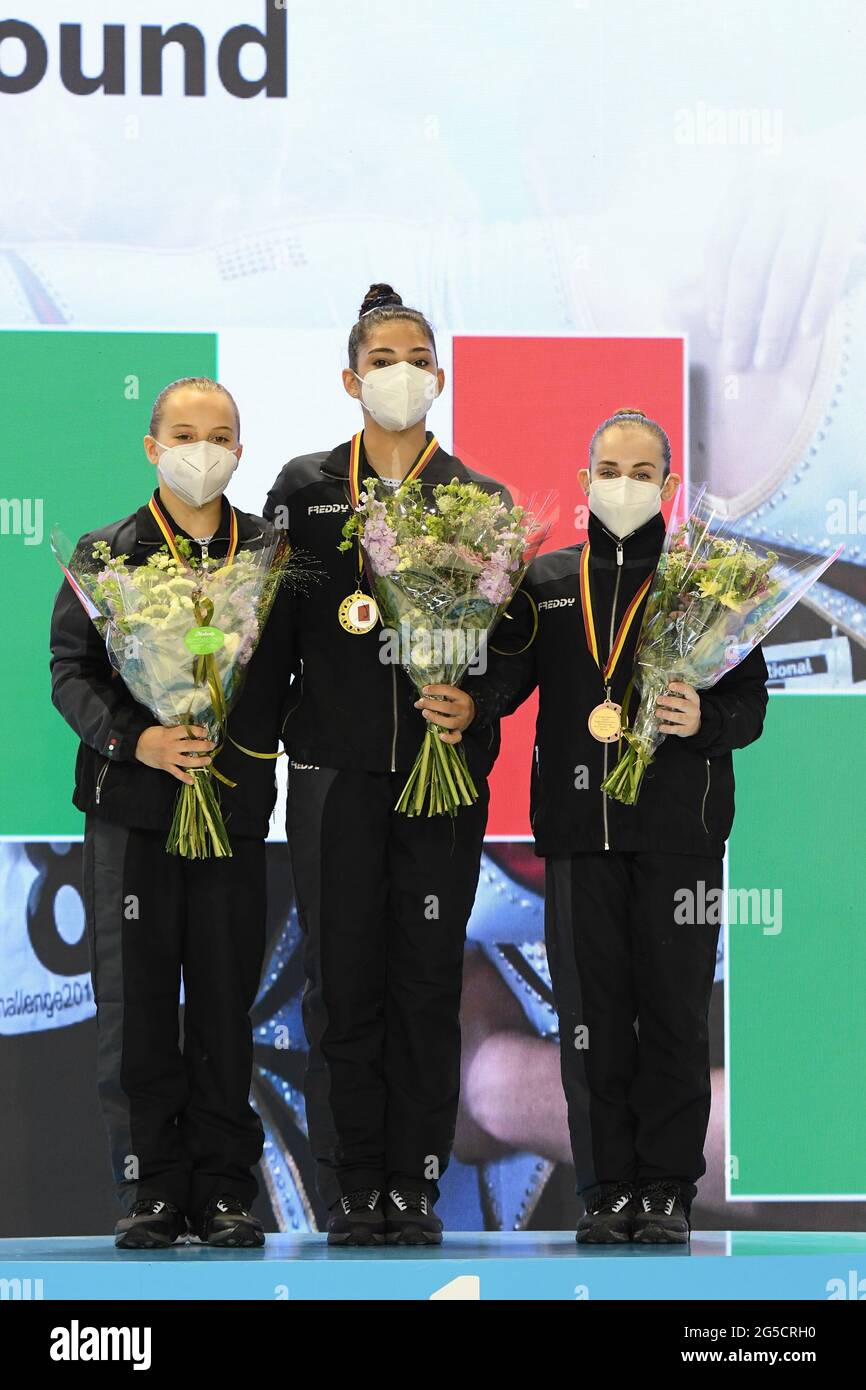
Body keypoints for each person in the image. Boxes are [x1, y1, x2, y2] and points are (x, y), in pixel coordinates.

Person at [460, 407, 769, 1244]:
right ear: (583, 480)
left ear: (668, 486)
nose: (623, 485)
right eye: (610, 469)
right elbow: (504, 684)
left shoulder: (710, 586)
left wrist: (701, 713)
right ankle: (604, 1190)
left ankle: (665, 1191)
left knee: (671, 1018)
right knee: (591, 1020)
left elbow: (750, 710)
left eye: (642, 473)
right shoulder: (548, 582)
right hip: (578, 832)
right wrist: (464, 696)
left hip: (681, 833)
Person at [263, 284, 506, 1245]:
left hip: (436, 781)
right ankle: (348, 1187)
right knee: (339, 984)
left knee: (424, 982)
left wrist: (474, 706)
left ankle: (412, 1185)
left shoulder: (478, 501)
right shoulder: (306, 483)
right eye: (382, 360)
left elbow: (504, 649)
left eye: (416, 359)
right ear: (350, 378)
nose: (399, 374)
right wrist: (274, 730)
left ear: (439, 377)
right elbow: (269, 622)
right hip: (331, 775)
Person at [50, 376, 292, 1249]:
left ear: (240, 448)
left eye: (220, 433)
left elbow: (294, 681)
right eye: (185, 434)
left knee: (227, 1008)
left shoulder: (271, 554)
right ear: (152, 448)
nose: (203, 448)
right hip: (133, 814)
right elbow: (69, 673)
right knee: (138, 1008)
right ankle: (148, 1187)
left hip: (230, 812)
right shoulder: (105, 552)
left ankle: (226, 1191)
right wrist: (135, 741)